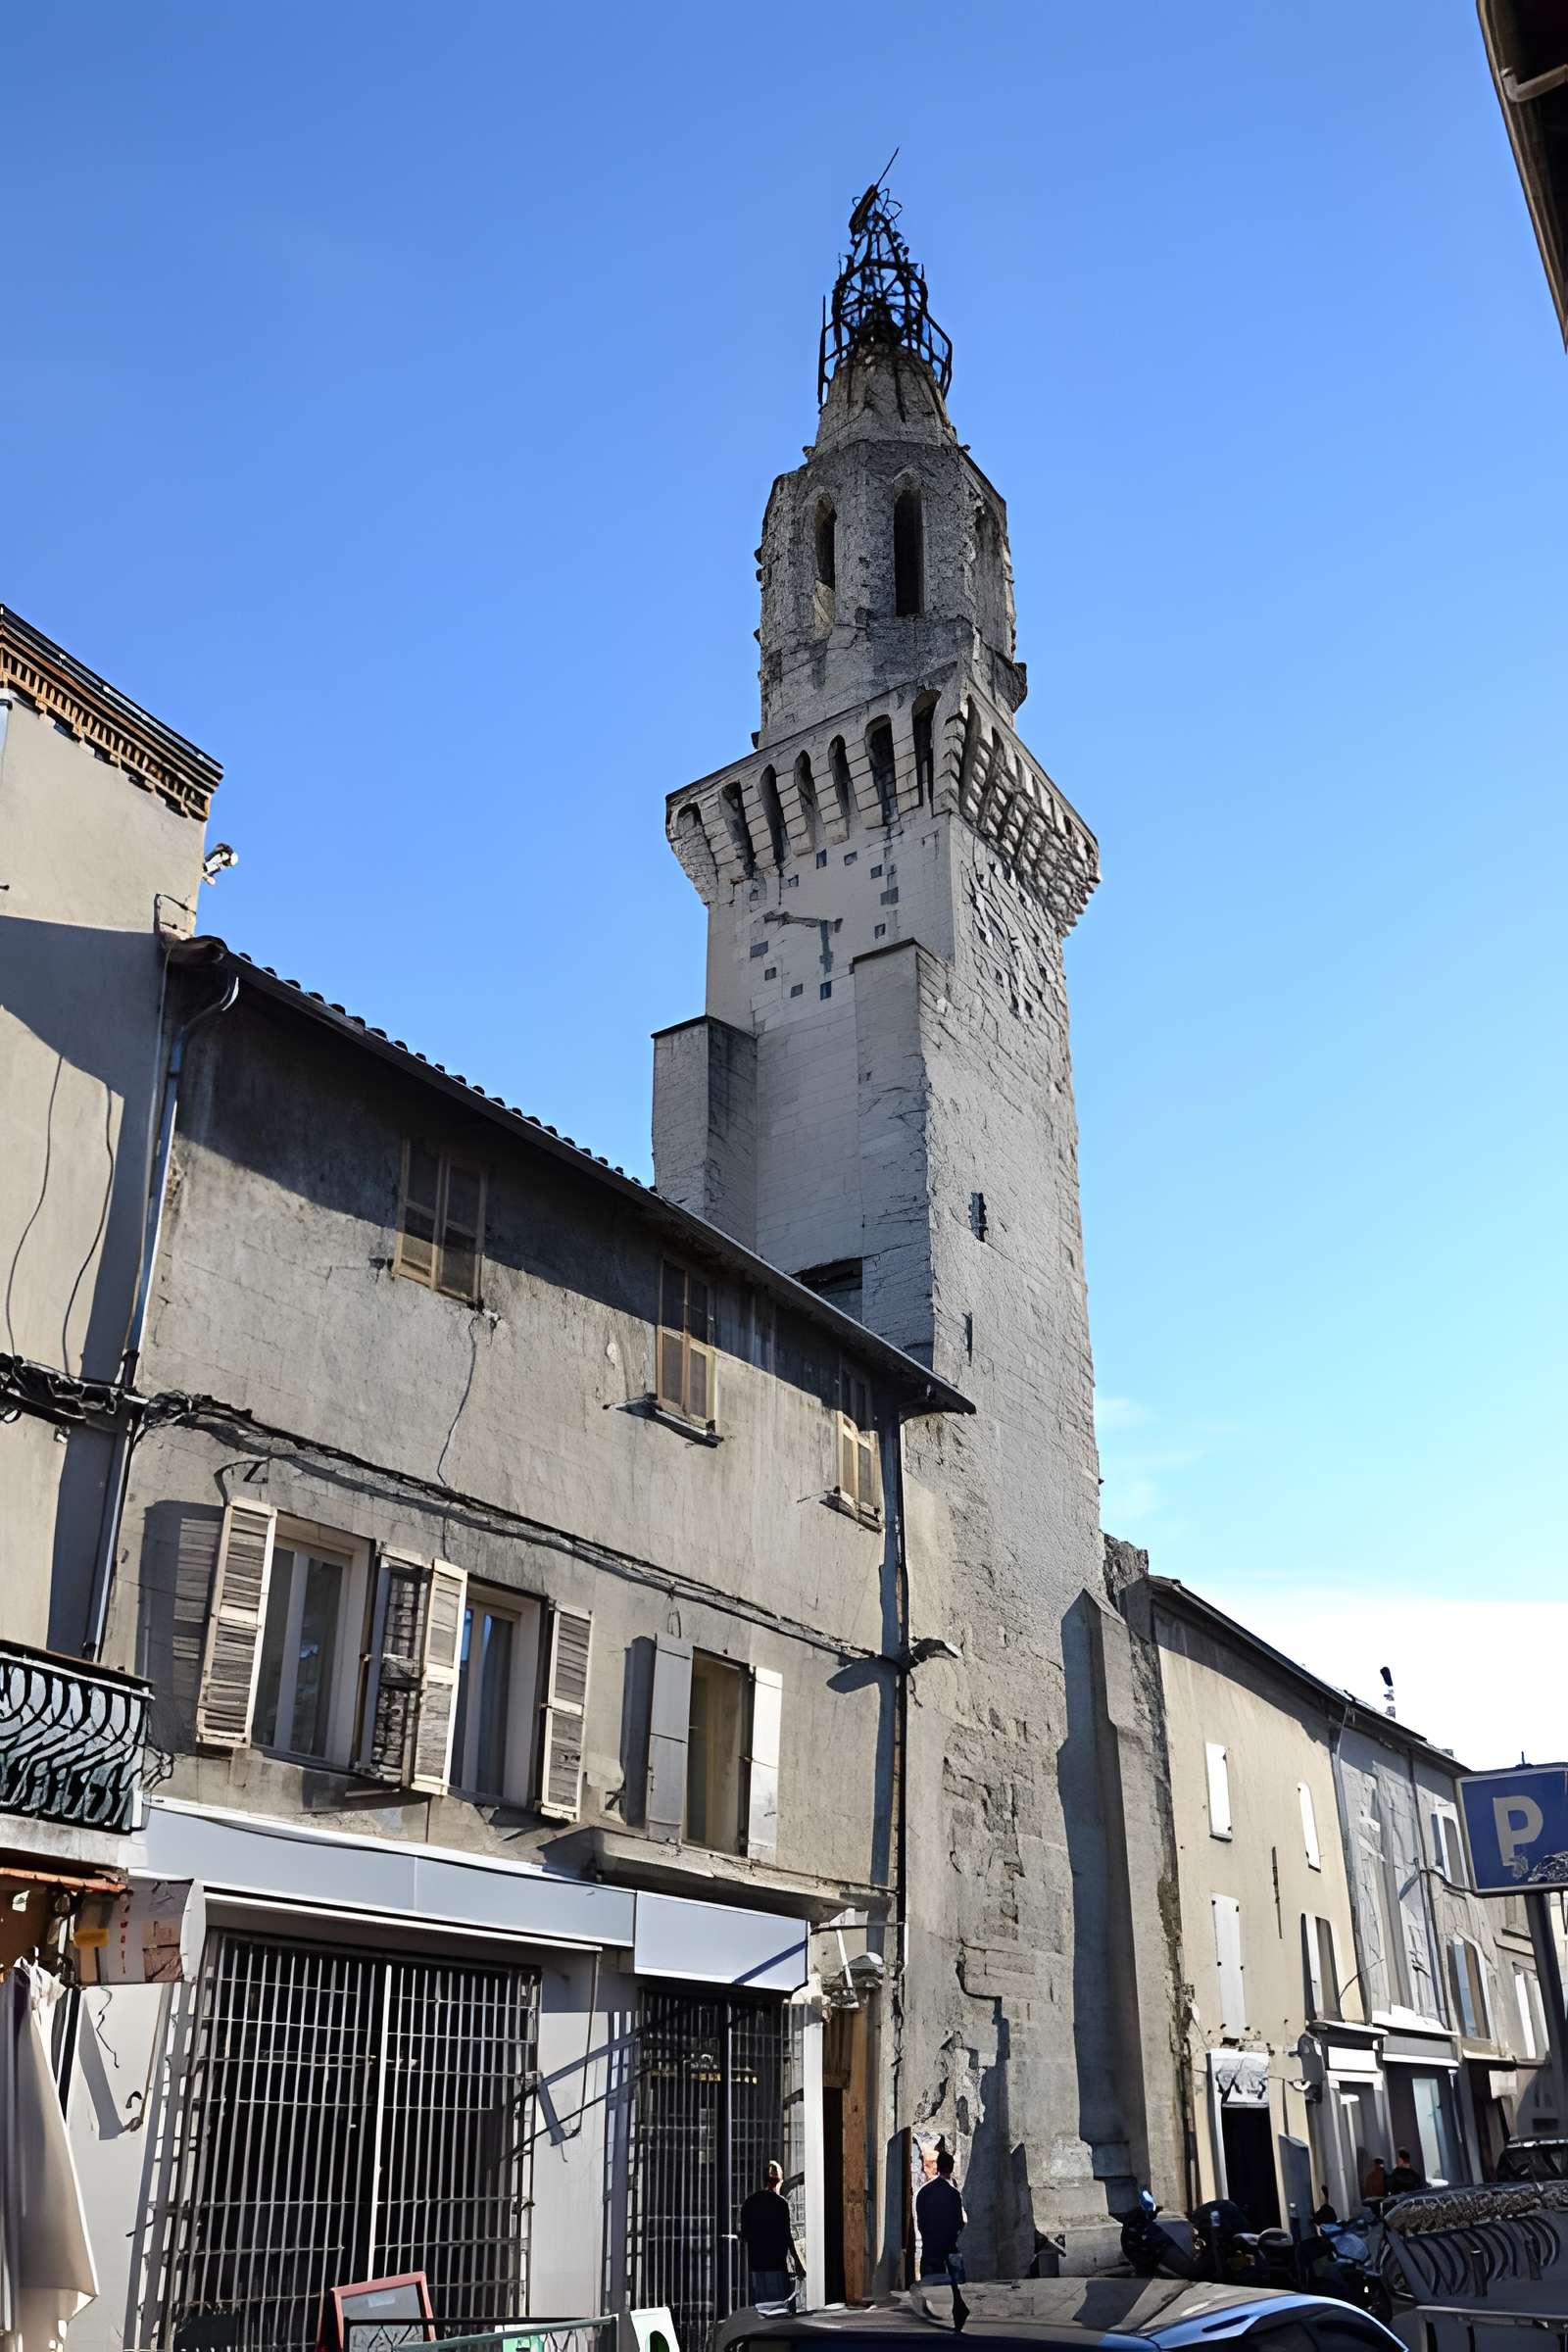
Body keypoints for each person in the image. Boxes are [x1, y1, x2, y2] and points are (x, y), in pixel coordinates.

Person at [739, 2160, 805, 2307]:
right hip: (776, 2266)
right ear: (781, 2177)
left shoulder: (750, 2202)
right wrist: (798, 2262)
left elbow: (745, 2234)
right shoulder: (780, 2204)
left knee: (761, 2311)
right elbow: (787, 2235)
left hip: (756, 2266)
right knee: (779, 2309)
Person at [915, 2147, 967, 2281]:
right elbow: (958, 2225)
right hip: (948, 2254)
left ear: (937, 2167)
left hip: (929, 2252)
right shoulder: (953, 2194)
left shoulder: (923, 2192)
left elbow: (921, 2223)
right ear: (951, 2168)